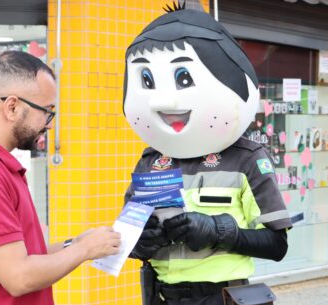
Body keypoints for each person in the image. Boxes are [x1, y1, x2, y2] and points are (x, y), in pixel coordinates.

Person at [123, 4, 291, 305]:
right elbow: (127, 233)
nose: (164, 100)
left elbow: (277, 245)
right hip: (162, 296)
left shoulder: (246, 159)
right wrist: (139, 242)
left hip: (222, 296)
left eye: (183, 78)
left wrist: (218, 230)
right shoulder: (151, 162)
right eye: (147, 81)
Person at [0, 51, 121, 305]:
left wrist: (75, 243)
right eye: (47, 111)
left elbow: (24, 255)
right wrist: (84, 250)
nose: (50, 124)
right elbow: (19, 277)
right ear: (12, 107)